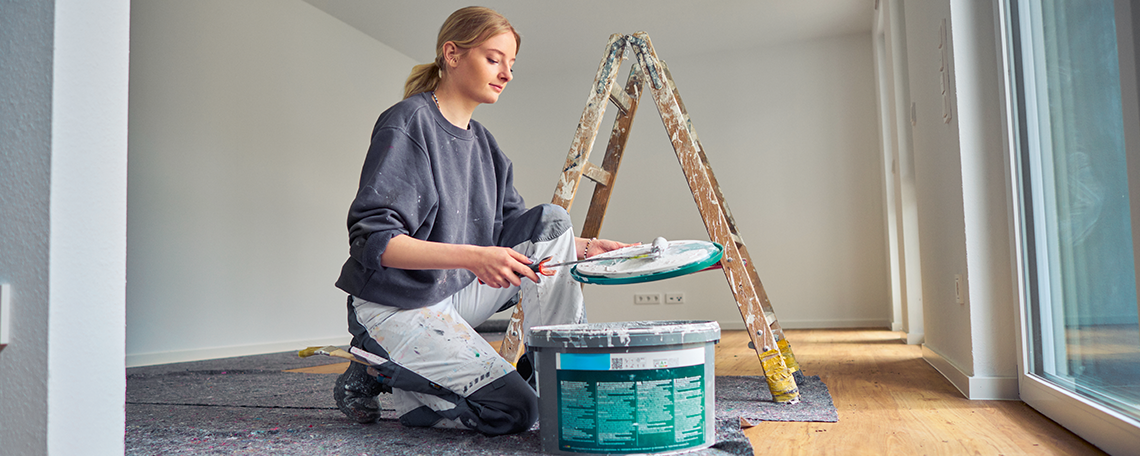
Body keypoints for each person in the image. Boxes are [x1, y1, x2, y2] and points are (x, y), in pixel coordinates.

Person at [332, 6, 629, 436]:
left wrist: (584, 247)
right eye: (494, 59)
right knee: (517, 412)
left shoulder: (485, 145)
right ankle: (384, 371)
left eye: (511, 64)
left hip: (450, 291)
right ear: (452, 54)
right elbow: (373, 242)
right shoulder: (408, 123)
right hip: (396, 305)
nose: (506, 73)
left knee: (552, 219)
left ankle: (564, 380)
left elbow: (521, 231)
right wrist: (474, 258)